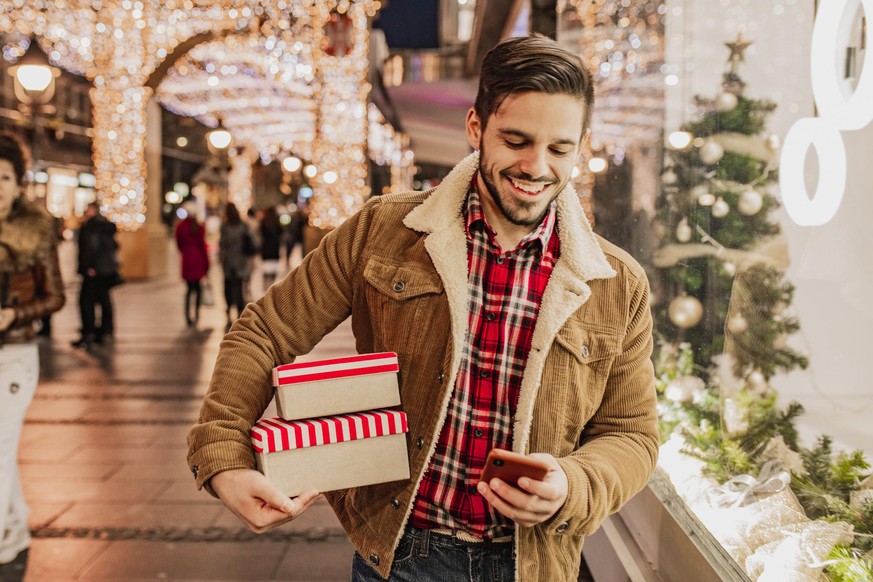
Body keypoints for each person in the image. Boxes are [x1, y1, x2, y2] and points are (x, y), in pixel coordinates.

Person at [187, 34, 658, 581]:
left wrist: (573, 486)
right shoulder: (384, 230)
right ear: (476, 129)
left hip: (534, 562)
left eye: (559, 149)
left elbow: (632, 433)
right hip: (405, 555)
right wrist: (223, 455)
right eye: (516, 139)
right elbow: (265, 331)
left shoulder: (617, 282)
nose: (536, 166)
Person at [0, 132, 65, 564]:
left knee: (2, 444)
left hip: (15, 355)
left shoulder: (36, 228)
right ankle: (16, 527)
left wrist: (14, 316)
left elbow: (56, 296)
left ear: (18, 182)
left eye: (3, 177)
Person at [71, 202, 119, 348]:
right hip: (104, 270)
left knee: (86, 302)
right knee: (104, 300)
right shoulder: (105, 225)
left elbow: (91, 247)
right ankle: (105, 330)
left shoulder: (91, 227)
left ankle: (89, 332)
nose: (86, 213)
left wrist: (90, 267)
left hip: (94, 271)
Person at [175, 200, 209, 327]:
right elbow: (202, 245)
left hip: (187, 260)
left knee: (189, 290)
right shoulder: (199, 227)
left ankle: (187, 315)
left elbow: (178, 243)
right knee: (198, 288)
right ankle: (197, 313)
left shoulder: (180, 226)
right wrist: (207, 263)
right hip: (198, 259)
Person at [218, 202, 252, 329]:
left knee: (228, 286)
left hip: (229, 261)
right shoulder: (243, 225)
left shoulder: (225, 226)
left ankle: (229, 308)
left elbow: (222, 245)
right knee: (238, 285)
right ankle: (239, 309)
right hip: (241, 261)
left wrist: (221, 260)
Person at [258, 206, 282, 290]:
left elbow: (261, 234)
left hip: (266, 248)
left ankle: (266, 284)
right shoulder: (277, 222)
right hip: (275, 248)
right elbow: (281, 233)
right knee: (273, 270)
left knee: (266, 269)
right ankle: (272, 286)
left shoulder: (264, 222)